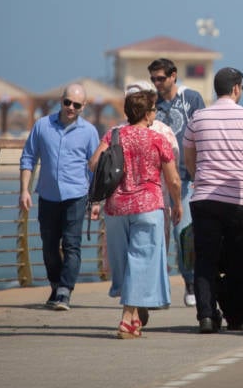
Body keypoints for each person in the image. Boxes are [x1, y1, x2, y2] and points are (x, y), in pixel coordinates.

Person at [88, 87, 181, 339]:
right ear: (148, 113)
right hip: (148, 207)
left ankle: (135, 320)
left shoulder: (113, 134)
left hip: (117, 208)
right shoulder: (158, 139)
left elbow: (94, 163)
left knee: (125, 262)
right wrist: (178, 205)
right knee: (141, 261)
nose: (155, 115)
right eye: (154, 110)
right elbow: (173, 180)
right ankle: (127, 318)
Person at [183, 67, 243, 333]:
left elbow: (189, 158)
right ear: (236, 89)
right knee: (238, 259)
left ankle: (206, 316)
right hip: (240, 199)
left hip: (205, 199)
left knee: (205, 260)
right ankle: (235, 315)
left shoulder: (198, 118)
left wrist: (200, 178)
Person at [19, 83, 100, 311]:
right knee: (49, 247)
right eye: (67, 102)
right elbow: (28, 158)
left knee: (72, 244)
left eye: (76, 105)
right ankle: (56, 285)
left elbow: (96, 169)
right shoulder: (42, 125)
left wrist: (96, 202)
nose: (70, 108)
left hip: (76, 195)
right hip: (47, 196)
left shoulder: (89, 132)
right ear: (61, 100)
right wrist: (24, 190)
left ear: (83, 106)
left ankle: (65, 291)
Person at [149, 58, 206, 307]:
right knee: (156, 239)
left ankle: (190, 283)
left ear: (174, 76)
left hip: (185, 179)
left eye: (160, 78)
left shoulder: (192, 99)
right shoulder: (151, 104)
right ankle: (156, 289)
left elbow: (203, 135)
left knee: (185, 236)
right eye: (153, 79)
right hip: (156, 183)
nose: (157, 83)